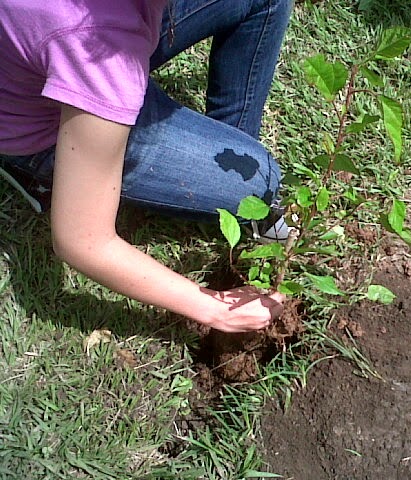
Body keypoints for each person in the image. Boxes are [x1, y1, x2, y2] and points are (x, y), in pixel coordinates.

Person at [0, 0, 293, 332]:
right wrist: (215, 310)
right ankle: (35, 170)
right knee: (258, 181)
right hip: (43, 123)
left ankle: (223, 166)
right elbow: (82, 240)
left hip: (54, 50)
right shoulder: (102, 52)